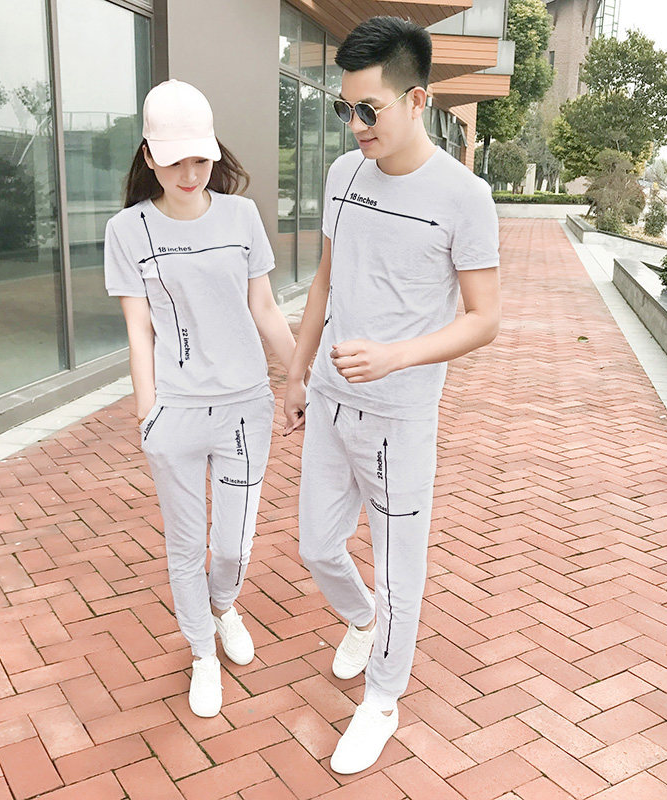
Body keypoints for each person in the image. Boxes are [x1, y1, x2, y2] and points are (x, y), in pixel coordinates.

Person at [283, 17, 501, 774]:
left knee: (400, 568)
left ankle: (382, 700)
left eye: (368, 109)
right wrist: (297, 372)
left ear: (417, 99)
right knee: (316, 545)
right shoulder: (344, 175)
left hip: (400, 418)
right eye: (346, 108)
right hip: (329, 400)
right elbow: (324, 281)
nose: (355, 125)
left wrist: (396, 356)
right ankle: (362, 619)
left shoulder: (465, 197)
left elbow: (484, 319)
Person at [104, 79, 296, 718]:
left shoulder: (241, 217)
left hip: (245, 407)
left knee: (233, 546)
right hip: (176, 414)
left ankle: (223, 606)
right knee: (185, 547)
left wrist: (298, 376)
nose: (190, 174)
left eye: (201, 158)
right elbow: (139, 330)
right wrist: (147, 412)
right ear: (149, 156)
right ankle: (201, 654)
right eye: (175, 161)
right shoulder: (128, 230)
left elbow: (264, 307)